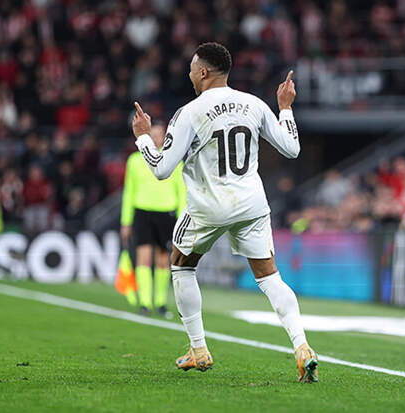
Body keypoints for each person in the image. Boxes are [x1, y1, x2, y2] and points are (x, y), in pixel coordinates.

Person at [131, 42, 318, 383]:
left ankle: (199, 349)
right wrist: (285, 108)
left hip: (209, 206)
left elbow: (161, 169)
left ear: (203, 72)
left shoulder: (189, 112)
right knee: (270, 278)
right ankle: (302, 346)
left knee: (181, 265)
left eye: (192, 68)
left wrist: (144, 138)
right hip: (251, 204)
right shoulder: (254, 104)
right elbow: (292, 148)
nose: (189, 73)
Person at [121, 124, 186, 316]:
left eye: (160, 135)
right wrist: (126, 221)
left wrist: (182, 219)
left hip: (166, 213)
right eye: (153, 134)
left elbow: (182, 192)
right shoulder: (135, 160)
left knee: (163, 260)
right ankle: (145, 302)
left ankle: (160, 302)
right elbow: (129, 192)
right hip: (142, 212)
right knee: (144, 257)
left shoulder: (173, 160)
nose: (157, 138)